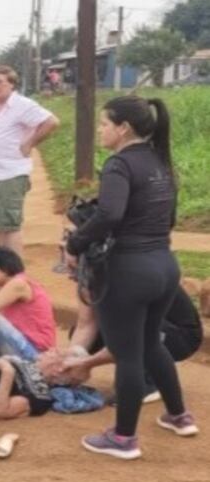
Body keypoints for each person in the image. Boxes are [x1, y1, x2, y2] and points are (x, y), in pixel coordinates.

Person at [66, 95, 197, 460]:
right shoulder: (161, 161)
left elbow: (109, 214)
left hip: (129, 270)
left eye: (105, 124)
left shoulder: (119, 164)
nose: (102, 130)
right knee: (150, 343)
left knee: (127, 354)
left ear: (123, 128)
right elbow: (168, 218)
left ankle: (123, 439)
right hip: (164, 266)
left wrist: (76, 242)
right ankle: (178, 416)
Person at [0, 65, 59, 255]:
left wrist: (30, 142)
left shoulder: (22, 105)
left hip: (12, 173)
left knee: (10, 224)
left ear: (11, 84)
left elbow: (51, 122)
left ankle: (16, 274)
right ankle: (2, 269)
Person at [64, 284, 203, 402]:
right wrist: (69, 361)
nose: (70, 273)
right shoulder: (89, 276)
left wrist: (86, 364)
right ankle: (139, 369)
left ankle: (150, 380)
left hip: (182, 337)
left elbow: (127, 336)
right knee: (90, 337)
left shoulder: (129, 276)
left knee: (123, 328)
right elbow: (85, 325)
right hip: (147, 326)